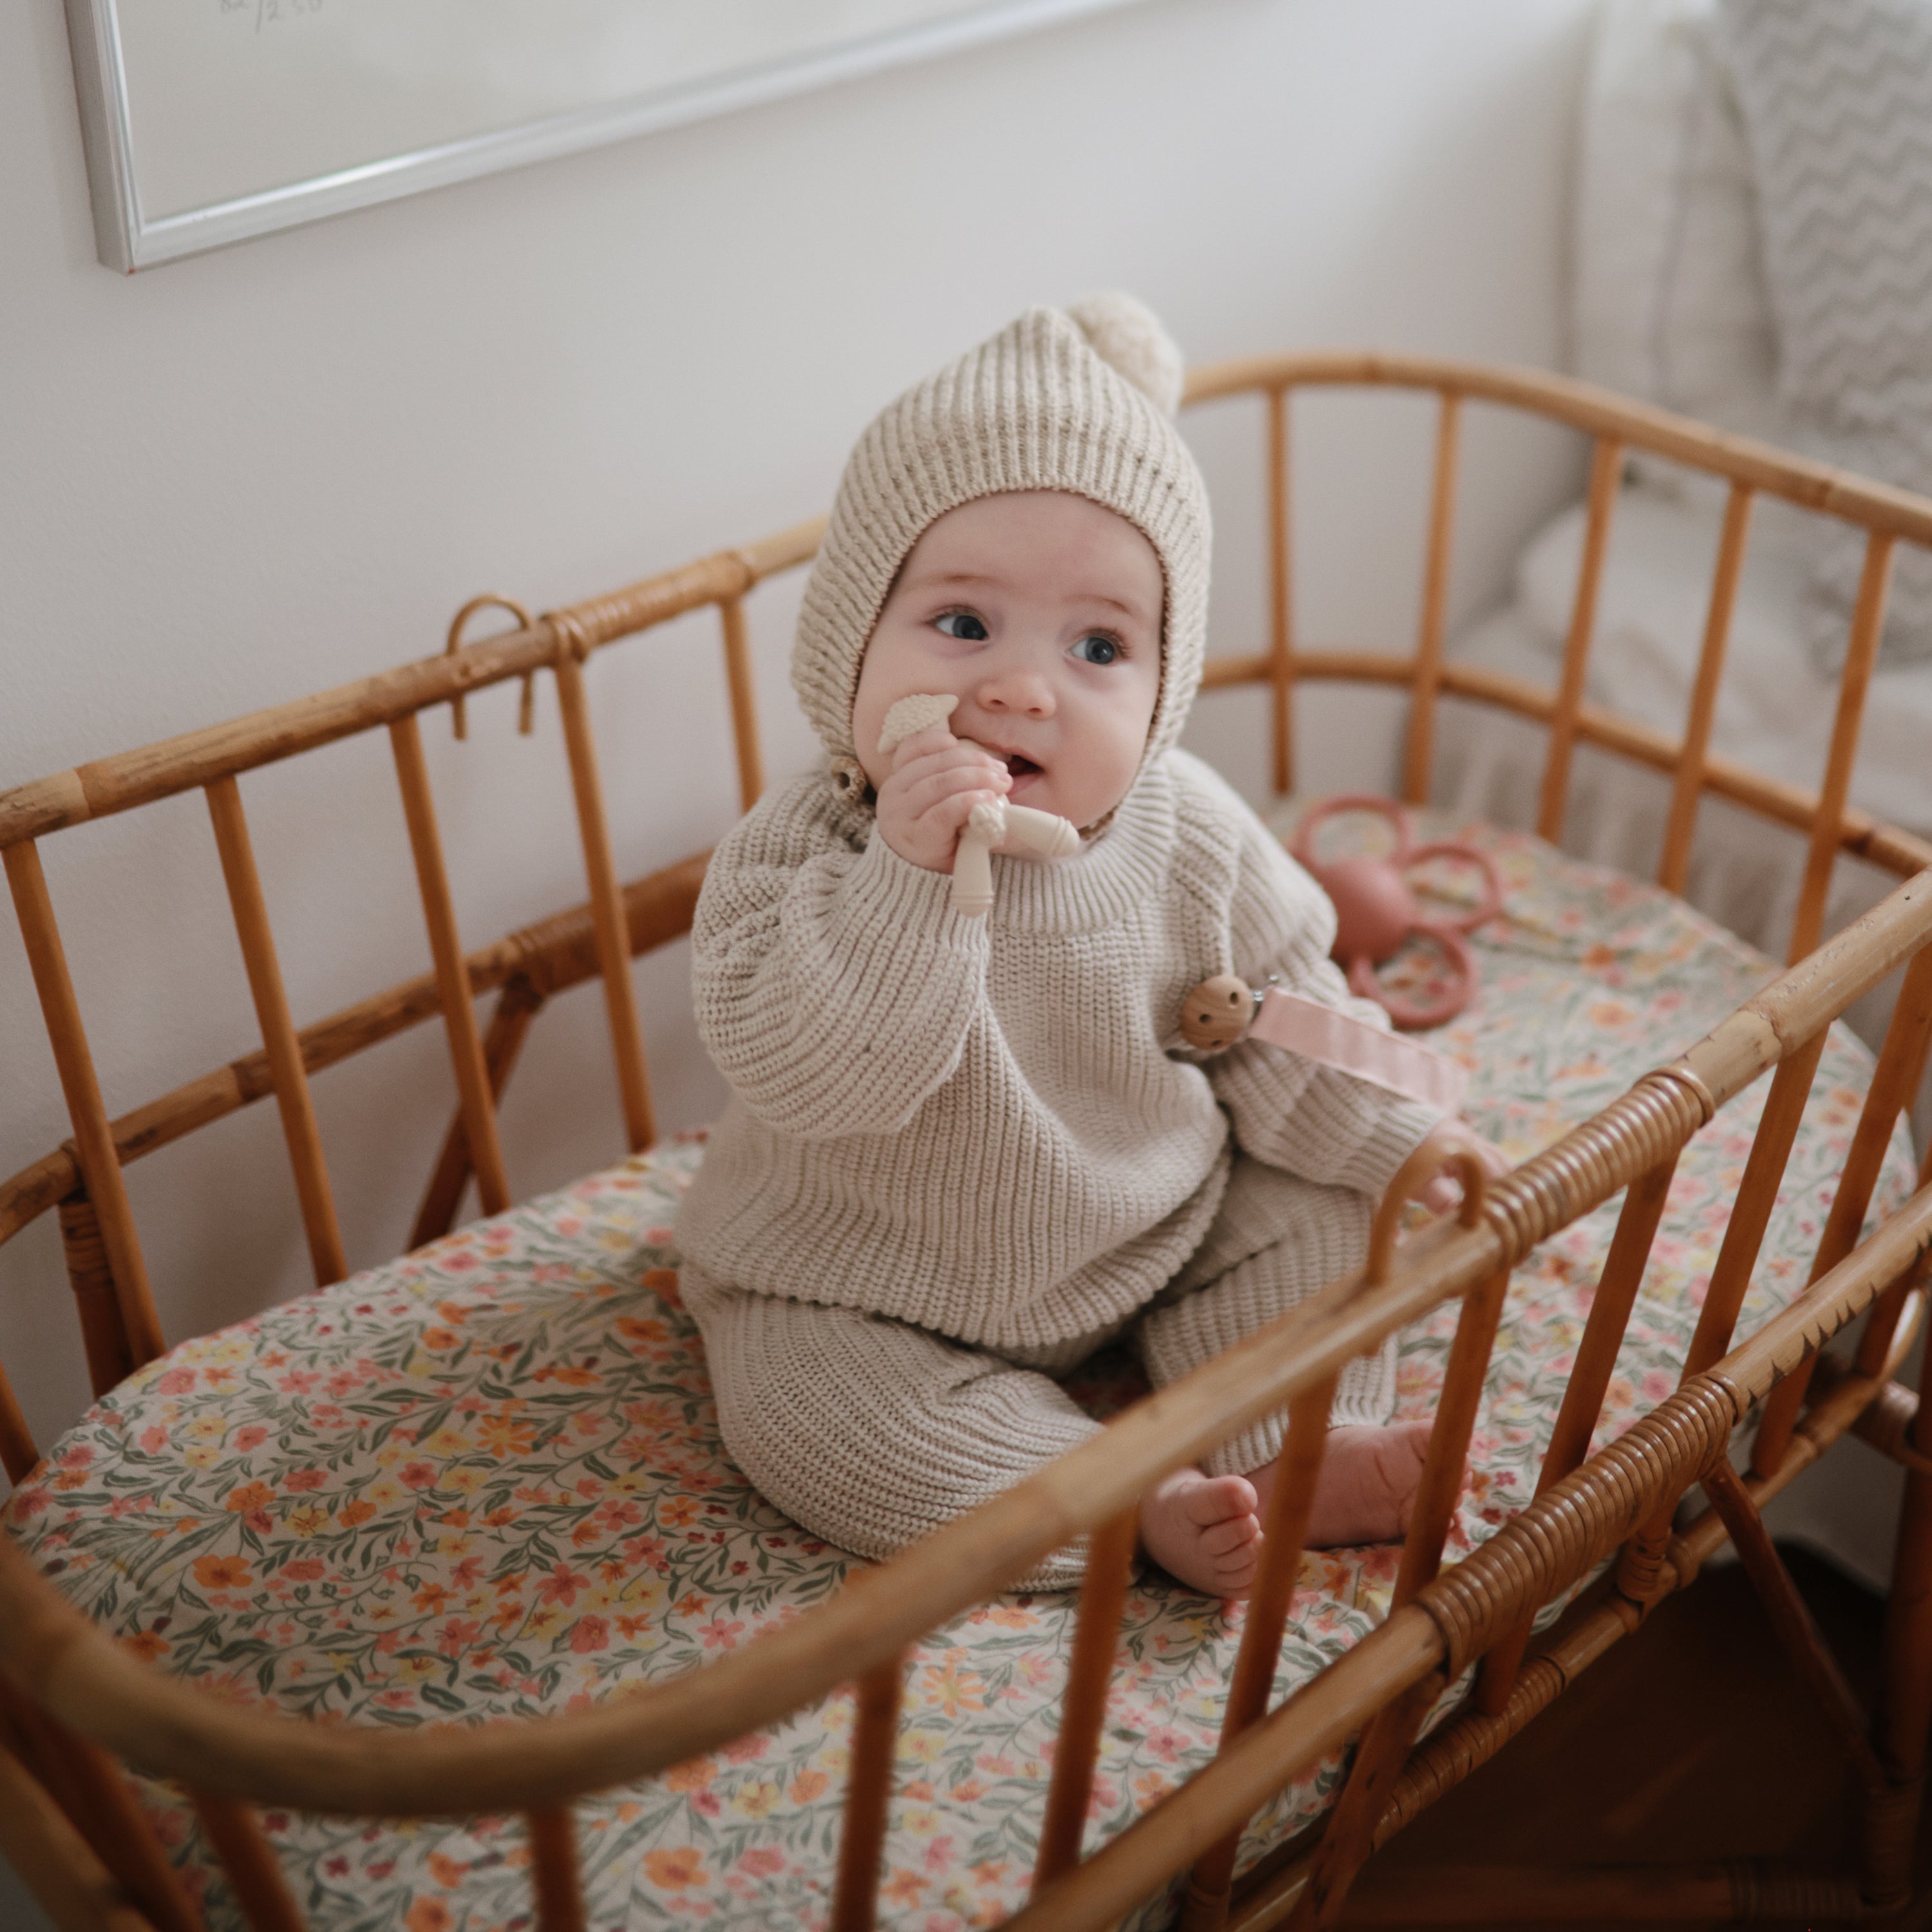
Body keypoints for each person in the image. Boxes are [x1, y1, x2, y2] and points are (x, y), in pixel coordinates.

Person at [676, 295, 1492, 1595]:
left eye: (1099, 645)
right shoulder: (803, 850)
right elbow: (828, 1076)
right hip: (862, 1279)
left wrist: (1404, 1135)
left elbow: (1279, 1009)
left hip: (1156, 1226)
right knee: (802, 1414)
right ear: (851, 651)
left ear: (1163, 692)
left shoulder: (1189, 832)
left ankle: (1292, 1447)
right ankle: (1127, 1506)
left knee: (1323, 1217)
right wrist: (910, 875)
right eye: (961, 625)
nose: (1022, 687)